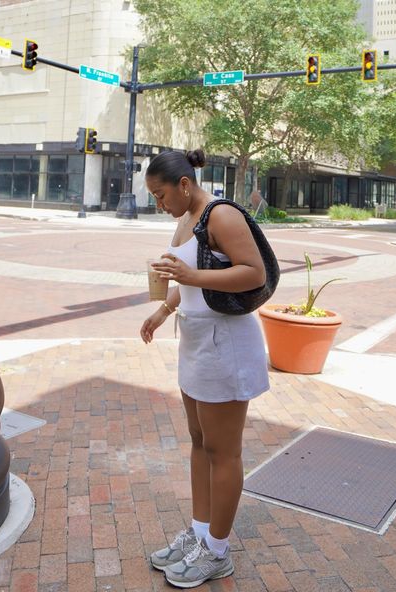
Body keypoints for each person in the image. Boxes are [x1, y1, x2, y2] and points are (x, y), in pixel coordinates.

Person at [140, 149, 270, 588]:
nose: (159, 205)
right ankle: (198, 534)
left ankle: (217, 550)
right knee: (199, 442)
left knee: (223, 451)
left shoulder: (221, 215)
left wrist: (191, 280)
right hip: (195, 340)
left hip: (226, 343)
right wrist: (163, 310)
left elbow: (253, 273)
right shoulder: (183, 220)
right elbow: (188, 278)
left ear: (183, 184)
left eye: (160, 195)